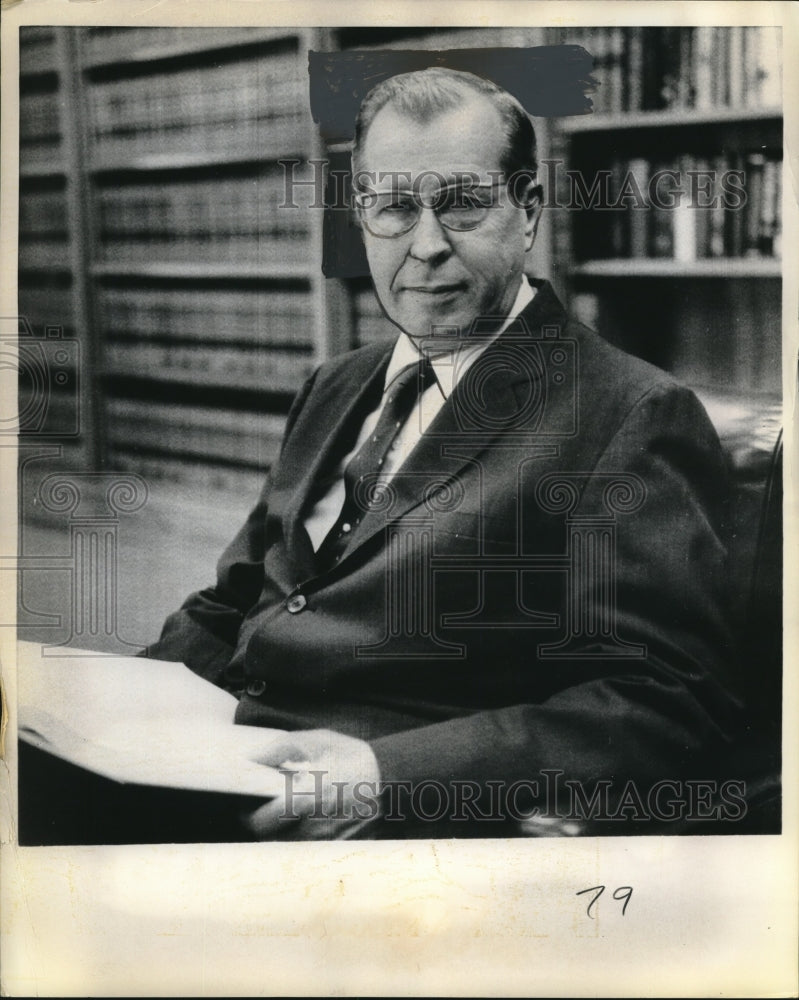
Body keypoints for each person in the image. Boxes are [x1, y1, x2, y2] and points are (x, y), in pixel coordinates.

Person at [143, 67, 743, 839]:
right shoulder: (337, 384)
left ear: (526, 210)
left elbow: (664, 701)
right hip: (214, 767)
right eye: (393, 207)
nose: (426, 246)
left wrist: (385, 778)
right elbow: (236, 598)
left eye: (461, 203)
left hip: (397, 823)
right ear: (361, 217)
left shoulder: (629, 414)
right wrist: (112, 703)